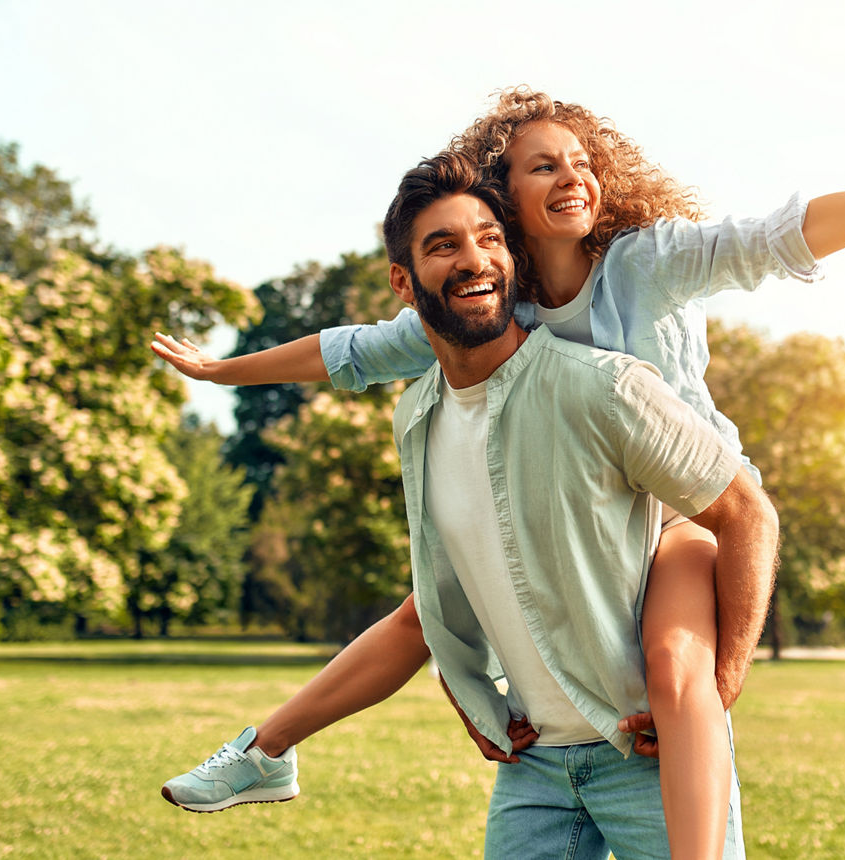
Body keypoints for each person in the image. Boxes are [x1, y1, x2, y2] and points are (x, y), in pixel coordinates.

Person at [155, 88, 845, 855]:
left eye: (583, 160)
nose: (573, 175)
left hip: (682, 518)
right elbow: (352, 350)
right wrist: (221, 371)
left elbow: (788, 236)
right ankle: (266, 748)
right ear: (505, 197)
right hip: (576, 524)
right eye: (544, 164)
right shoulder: (487, 295)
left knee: (678, 671)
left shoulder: (647, 263)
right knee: (428, 610)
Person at [169, 152, 780, 858]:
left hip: (645, 750)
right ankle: (265, 750)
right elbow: (443, 596)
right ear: (402, 281)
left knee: (678, 662)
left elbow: (745, 513)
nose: (474, 259)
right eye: (444, 245)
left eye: (489, 238)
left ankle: (266, 749)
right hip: (537, 768)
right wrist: (474, 695)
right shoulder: (419, 416)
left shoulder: (606, 386)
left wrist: (723, 678)